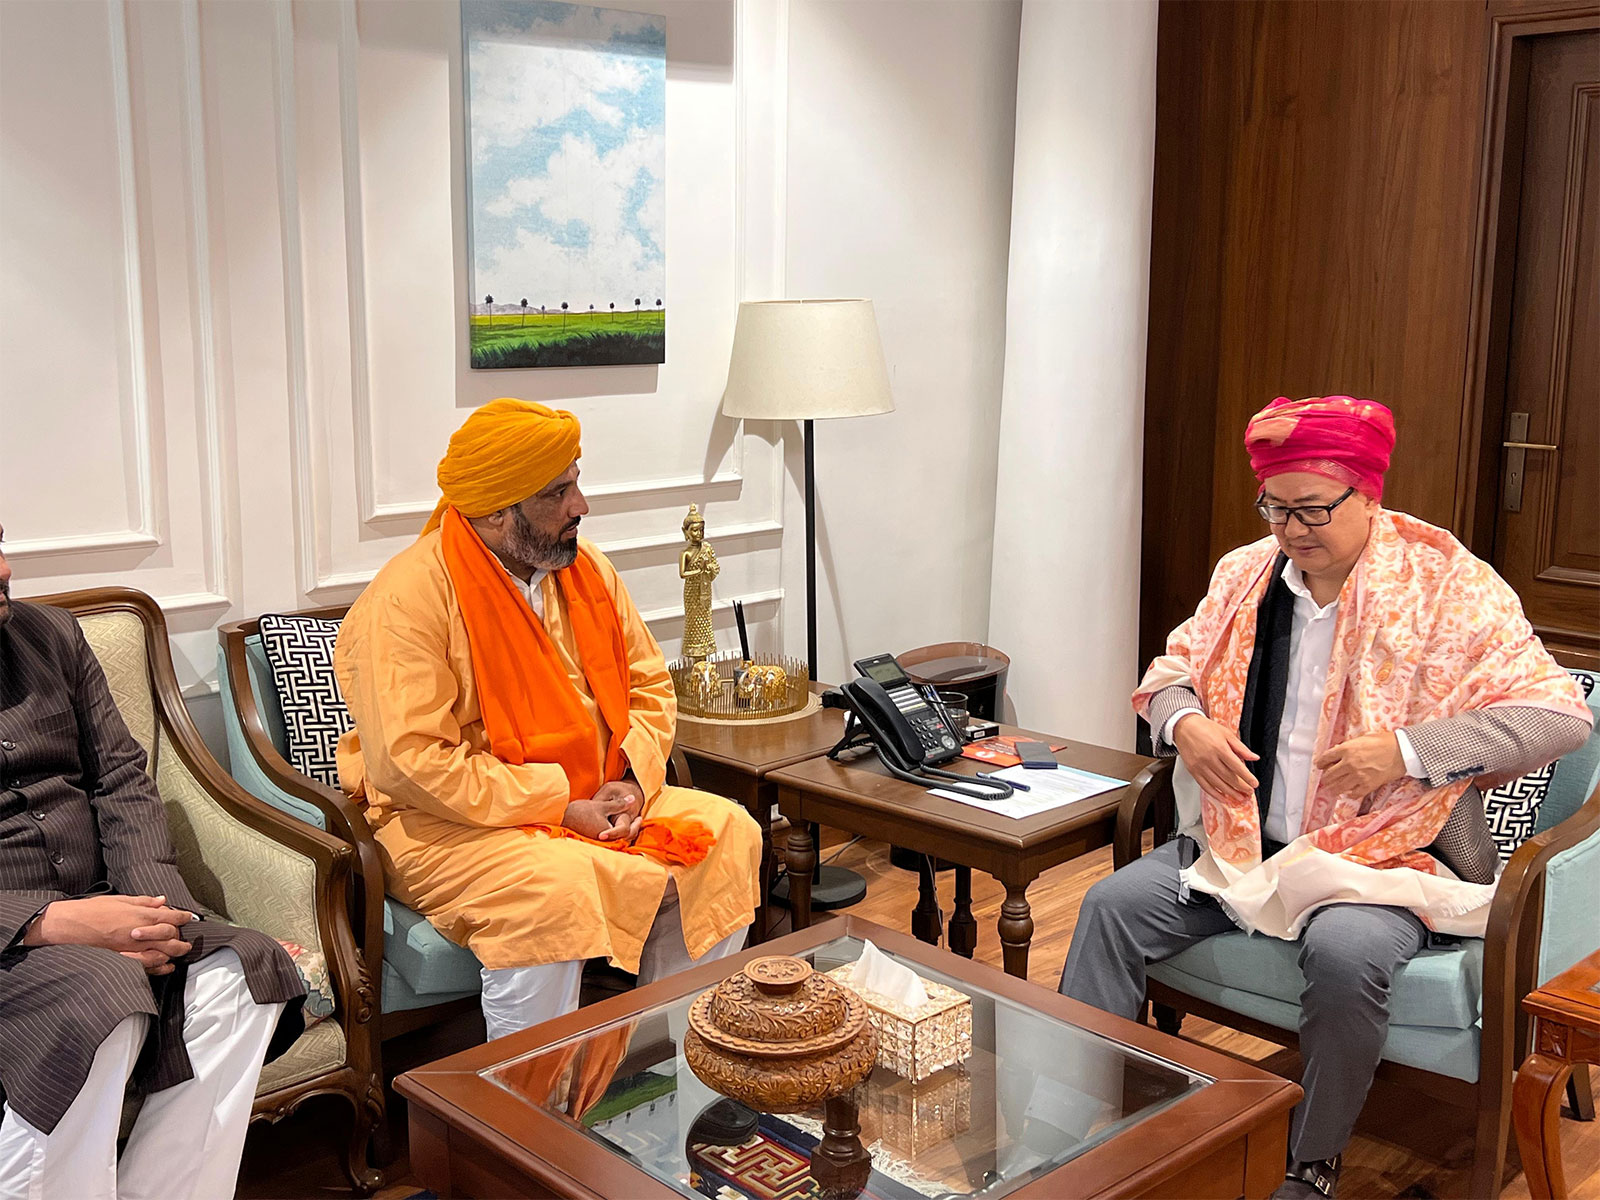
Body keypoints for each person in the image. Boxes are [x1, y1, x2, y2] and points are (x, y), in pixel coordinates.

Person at [1058, 396, 1592, 1199]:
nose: (1292, 530)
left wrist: (1408, 750)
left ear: (1369, 495)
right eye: (1276, 508)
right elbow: (1170, 673)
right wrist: (1187, 725)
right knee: (1109, 908)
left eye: (1314, 509)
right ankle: (1083, 1122)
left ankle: (1311, 1166)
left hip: (1381, 852)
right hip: (1243, 843)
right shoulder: (1245, 574)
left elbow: (1560, 715)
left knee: (1346, 955)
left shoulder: (1447, 585)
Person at [334, 399, 762, 1040]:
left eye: (576, 481)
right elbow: (414, 765)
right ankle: (527, 1108)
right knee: (553, 892)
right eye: (559, 492)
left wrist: (636, 782)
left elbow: (649, 685)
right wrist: (561, 806)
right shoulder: (407, 600)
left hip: (599, 794)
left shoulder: (587, 573)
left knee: (727, 831)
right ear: (498, 511)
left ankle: (673, 1056)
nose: (581, 505)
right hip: (446, 824)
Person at [0, 523, 305, 1200]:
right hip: (14, 941)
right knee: (101, 996)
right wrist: (54, 924)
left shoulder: (50, 635)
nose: (4, 568)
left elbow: (121, 779)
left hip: (110, 904)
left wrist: (156, 913)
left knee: (242, 968)